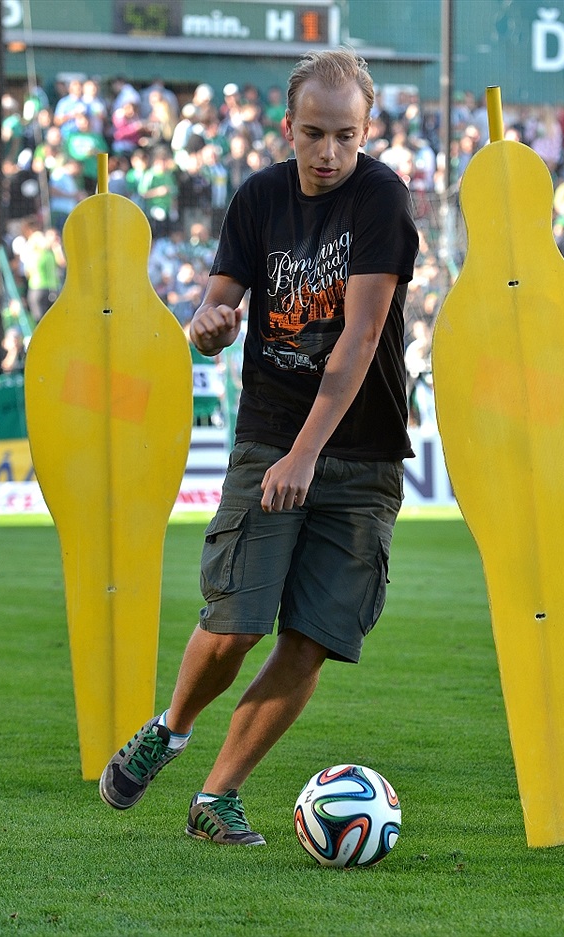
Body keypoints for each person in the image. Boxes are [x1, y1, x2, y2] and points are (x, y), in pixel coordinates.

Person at [99, 48, 419, 847]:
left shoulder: (382, 199)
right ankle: (171, 728)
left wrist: (308, 453)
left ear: (366, 130)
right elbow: (215, 310)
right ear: (288, 126)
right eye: (314, 133)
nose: (329, 151)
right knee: (237, 623)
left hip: (363, 453)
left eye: (345, 135)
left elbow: (361, 335)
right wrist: (207, 326)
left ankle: (217, 797)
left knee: (312, 638)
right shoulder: (257, 198)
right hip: (269, 437)